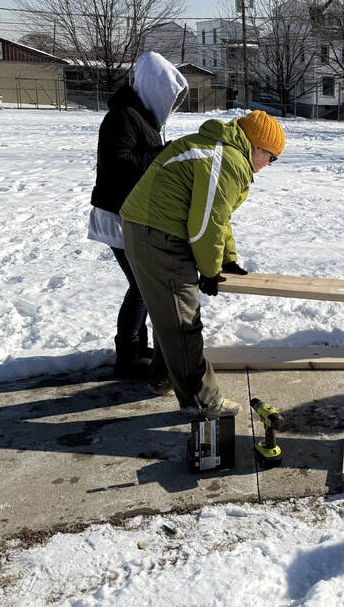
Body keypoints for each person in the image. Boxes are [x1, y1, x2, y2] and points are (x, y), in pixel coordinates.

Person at [120, 110, 285, 419]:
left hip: (150, 228)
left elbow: (218, 215)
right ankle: (203, 402)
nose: (269, 165)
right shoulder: (228, 159)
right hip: (156, 234)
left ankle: (162, 376)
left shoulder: (224, 151)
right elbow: (205, 223)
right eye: (271, 157)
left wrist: (227, 258)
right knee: (183, 320)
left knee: (170, 310)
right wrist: (209, 271)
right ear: (257, 147)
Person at [88, 51, 186, 378]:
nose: (170, 106)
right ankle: (127, 354)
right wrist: (161, 155)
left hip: (128, 214)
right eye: (168, 98)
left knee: (142, 284)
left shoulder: (141, 118)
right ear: (153, 89)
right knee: (143, 286)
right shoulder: (122, 118)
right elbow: (119, 165)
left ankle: (136, 346)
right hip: (116, 216)